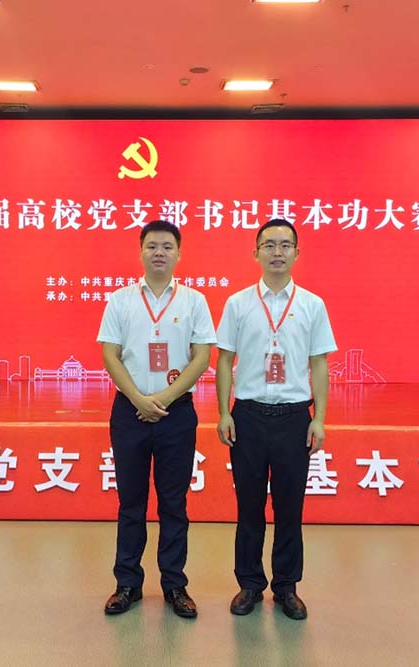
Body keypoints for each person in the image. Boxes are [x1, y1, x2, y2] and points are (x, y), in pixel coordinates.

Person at [215, 218, 337, 620]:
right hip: (248, 417)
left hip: (293, 418)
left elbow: (319, 364)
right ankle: (249, 584)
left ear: (297, 254)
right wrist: (224, 412)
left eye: (285, 245)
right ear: (256, 253)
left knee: (290, 507)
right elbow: (225, 361)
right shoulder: (237, 304)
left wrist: (319, 418)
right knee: (248, 507)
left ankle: (286, 586)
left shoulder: (312, 305)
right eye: (269, 245)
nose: (277, 252)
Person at [97, 220, 215, 618]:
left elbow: (202, 357)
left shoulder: (194, 301)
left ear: (179, 253)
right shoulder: (121, 300)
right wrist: (138, 399)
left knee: (173, 504)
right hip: (129, 411)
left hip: (176, 413)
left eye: (167, 246)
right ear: (141, 252)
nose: (159, 252)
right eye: (152, 246)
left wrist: (163, 398)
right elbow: (110, 354)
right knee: (130, 502)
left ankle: (174, 585)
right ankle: (127, 583)